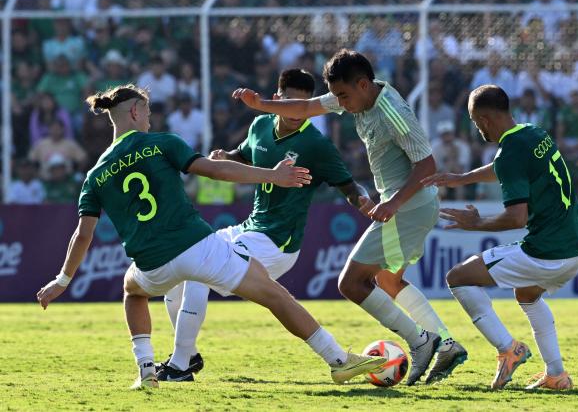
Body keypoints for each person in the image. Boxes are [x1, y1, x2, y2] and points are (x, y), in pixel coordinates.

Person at [36, 84, 385, 390]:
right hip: (197, 247)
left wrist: (62, 279)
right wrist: (272, 175)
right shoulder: (160, 143)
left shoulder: (95, 175)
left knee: (133, 290)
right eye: (148, 113)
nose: (150, 120)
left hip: (152, 264)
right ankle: (340, 361)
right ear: (135, 110)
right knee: (275, 295)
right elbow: (216, 170)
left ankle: (146, 369)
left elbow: (82, 234)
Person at [233, 49, 467, 386]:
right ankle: (443, 343)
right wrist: (261, 106)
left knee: (352, 283)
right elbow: (304, 107)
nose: (340, 103)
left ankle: (423, 342)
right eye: (336, 96)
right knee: (387, 280)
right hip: (406, 204)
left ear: (362, 84)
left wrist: (394, 204)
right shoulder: (355, 94)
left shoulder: (393, 111)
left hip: (411, 205)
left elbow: (427, 166)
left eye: (343, 95)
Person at [159, 68, 376, 382]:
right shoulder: (260, 125)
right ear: (277, 100)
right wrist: (226, 156)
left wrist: (365, 202)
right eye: (290, 103)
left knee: (198, 271)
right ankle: (188, 356)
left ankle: (179, 365)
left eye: (305, 106)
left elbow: (347, 185)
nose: (297, 113)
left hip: (278, 243)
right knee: (180, 269)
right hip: (250, 228)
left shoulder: (316, 145)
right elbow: (246, 156)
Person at [422, 85, 578, 391]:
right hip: (575, 246)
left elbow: (516, 218)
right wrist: (462, 178)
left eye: (474, 121)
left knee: (458, 277)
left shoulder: (509, 151)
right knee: (527, 295)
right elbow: (505, 168)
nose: (476, 128)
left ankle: (508, 349)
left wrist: (475, 223)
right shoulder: (533, 132)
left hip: (546, 252)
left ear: (484, 118)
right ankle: (556, 375)